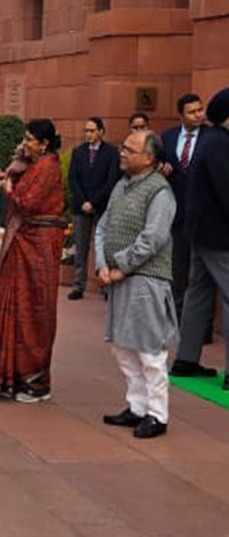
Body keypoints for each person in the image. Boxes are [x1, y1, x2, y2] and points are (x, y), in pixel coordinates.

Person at [0, 120, 65, 402]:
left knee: (35, 309)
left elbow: (28, 202)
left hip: (40, 243)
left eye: (30, 140)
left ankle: (35, 381)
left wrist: (10, 188)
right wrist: (17, 163)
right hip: (22, 240)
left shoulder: (49, 166)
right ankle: (11, 375)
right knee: (13, 304)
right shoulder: (30, 163)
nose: (25, 143)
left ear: (44, 143)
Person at [97, 129, 177, 439]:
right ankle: (137, 406)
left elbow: (153, 239)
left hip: (146, 281)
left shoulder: (160, 192)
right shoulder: (122, 186)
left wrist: (122, 267)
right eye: (123, 147)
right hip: (116, 278)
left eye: (130, 149)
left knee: (149, 351)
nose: (123, 153)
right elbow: (103, 225)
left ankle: (158, 414)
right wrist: (103, 265)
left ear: (149, 158)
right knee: (122, 346)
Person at [171, 87, 229, 383]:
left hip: (202, 232)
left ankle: (186, 359)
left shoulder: (210, 141)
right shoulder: (219, 144)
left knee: (199, 293)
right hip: (217, 235)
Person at [161, 92, 209, 323]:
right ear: (181, 115)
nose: (198, 115)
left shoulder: (213, 137)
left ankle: (203, 326)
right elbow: (154, 162)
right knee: (179, 269)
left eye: (200, 110)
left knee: (203, 273)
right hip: (177, 214)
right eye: (192, 111)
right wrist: (162, 168)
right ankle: (178, 318)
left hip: (205, 216)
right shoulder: (168, 137)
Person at [67, 117, 120, 300]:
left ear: (101, 132)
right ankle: (78, 285)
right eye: (86, 131)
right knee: (80, 247)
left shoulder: (112, 153)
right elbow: (72, 179)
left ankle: (105, 286)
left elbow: (111, 180)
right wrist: (83, 201)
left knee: (104, 247)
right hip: (80, 206)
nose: (88, 134)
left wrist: (94, 202)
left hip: (103, 205)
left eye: (92, 130)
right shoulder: (78, 152)